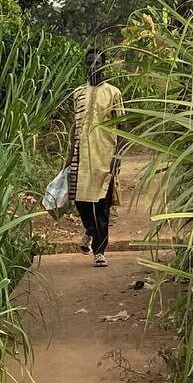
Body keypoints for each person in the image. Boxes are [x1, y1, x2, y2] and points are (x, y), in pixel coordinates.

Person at [69, 49, 124, 266]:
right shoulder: (78, 93)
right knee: (80, 199)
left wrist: (118, 155)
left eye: (96, 62)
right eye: (89, 62)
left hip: (104, 153)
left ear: (104, 64)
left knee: (102, 203)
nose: (92, 66)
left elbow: (121, 127)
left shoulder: (113, 93)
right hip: (82, 153)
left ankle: (100, 252)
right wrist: (69, 155)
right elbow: (76, 126)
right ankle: (90, 229)